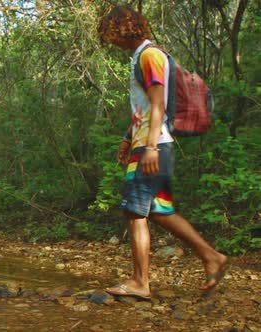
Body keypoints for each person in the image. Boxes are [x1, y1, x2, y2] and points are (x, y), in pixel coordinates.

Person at [97, 6, 228, 299]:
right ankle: (211, 256)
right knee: (158, 209)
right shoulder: (143, 56)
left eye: (111, 33)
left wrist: (151, 147)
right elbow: (144, 108)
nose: (112, 41)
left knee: (134, 211)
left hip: (153, 145)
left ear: (123, 28)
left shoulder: (149, 55)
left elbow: (158, 104)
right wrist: (126, 140)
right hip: (146, 141)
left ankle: (140, 282)